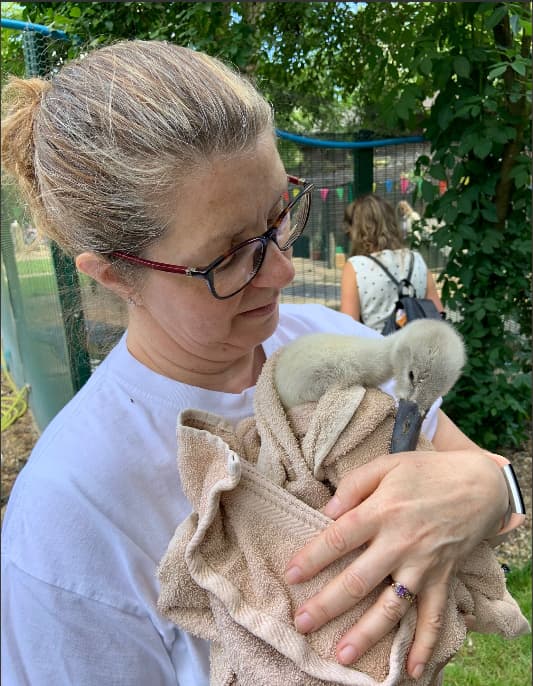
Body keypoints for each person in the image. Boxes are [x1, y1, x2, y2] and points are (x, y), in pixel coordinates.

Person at [0, 40, 519, 686]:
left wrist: (487, 490)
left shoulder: (329, 338)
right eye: (228, 257)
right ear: (114, 275)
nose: (281, 269)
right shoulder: (72, 513)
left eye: (279, 214)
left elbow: (496, 485)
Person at [340, 194, 444, 333]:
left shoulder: (355, 266)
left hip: (377, 351)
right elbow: (437, 313)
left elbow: (348, 327)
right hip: (418, 348)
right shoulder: (416, 259)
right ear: (391, 223)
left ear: (356, 230)